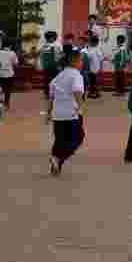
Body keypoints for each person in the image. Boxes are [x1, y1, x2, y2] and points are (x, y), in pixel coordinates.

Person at [45, 47, 87, 176]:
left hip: (58, 114)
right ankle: (58, 159)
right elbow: (77, 92)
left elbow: (51, 96)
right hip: (72, 114)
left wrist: (49, 113)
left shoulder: (58, 76)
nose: (82, 63)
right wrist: (81, 107)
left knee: (60, 140)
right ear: (74, 61)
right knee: (78, 138)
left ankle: (55, 164)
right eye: (81, 60)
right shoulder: (76, 75)